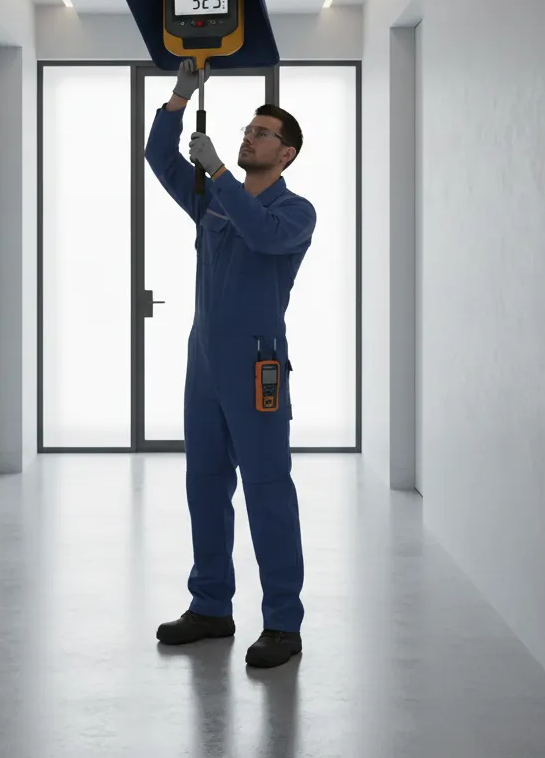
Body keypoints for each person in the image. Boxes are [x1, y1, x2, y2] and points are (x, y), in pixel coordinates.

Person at [144, 57, 316, 669]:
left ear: (287, 154)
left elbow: (261, 235)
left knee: (268, 490)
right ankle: (212, 605)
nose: (249, 134)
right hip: (205, 367)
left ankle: (283, 625)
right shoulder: (214, 202)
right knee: (204, 486)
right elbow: (160, 160)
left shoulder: (293, 214)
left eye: (262, 131)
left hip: (256, 371)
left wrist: (217, 168)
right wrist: (176, 100)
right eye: (247, 127)